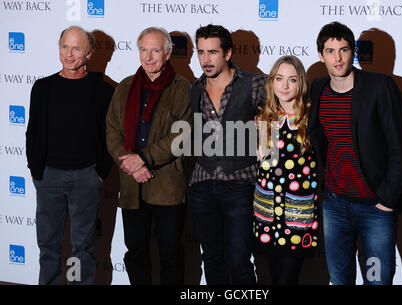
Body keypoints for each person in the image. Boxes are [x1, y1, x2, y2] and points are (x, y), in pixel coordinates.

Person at [308, 21, 402, 285]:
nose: (337, 58)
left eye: (344, 50)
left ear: (353, 53)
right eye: (330, 51)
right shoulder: (318, 88)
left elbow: (400, 149)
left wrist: (387, 201)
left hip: (375, 207)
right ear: (320, 55)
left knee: (376, 280)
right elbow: (317, 139)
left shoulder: (380, 87)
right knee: (339, 279)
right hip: (335, 204)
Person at [25, 26, 114, 284]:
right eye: (65, 46)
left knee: (81, 249)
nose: (69, 54)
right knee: (48, 246)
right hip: (48, 178)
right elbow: (33, 132)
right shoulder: (43, 87)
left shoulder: (103, 91)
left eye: (76, 48)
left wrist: (99, 174)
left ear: (89, 53)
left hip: (86, 178)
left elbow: (110, 137)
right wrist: (36, 172)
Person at [106, 27, 191, 285]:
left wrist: (142, 158)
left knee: (171, 255)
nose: (149, 56)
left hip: (167, 188)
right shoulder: (125, 87)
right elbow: (112, 131)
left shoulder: (183, 88)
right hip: (133, 188)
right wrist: (131, 165)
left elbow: (182, 135)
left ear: (167, 53)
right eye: (144, 49)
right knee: (136, 254)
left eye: (156, 50)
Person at [188, 24, 267, 285]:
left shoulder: (255, 83)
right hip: (202, 184)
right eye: (201, 52)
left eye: (212, 52)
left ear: (228, 53)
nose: (206, 60)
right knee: (211, 258)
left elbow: (280, 123)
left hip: (240, 183)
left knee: (239, 260)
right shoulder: (194, 89)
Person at [252, 55, 319, 284]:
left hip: (296, 212)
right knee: (273, 277)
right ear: (272, 82)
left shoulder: (311, 119)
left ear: (301, 83)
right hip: (268, 211)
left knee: (288, 279)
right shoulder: (263, 118)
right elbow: (263, 161)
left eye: (292, 80)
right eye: (279, 79)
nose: (285, 86)